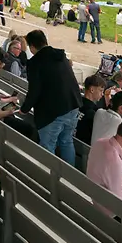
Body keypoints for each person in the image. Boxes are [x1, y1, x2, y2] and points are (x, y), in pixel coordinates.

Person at [20, 30, 81, 164]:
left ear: (32, 47)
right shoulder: (61, 56)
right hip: (73, 105)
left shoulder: (35, 63)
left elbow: (34, 91)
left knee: (48, 146)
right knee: (66, 141)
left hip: (52, 113)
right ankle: (69, 179)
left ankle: (49, 180)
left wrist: (24, 108)